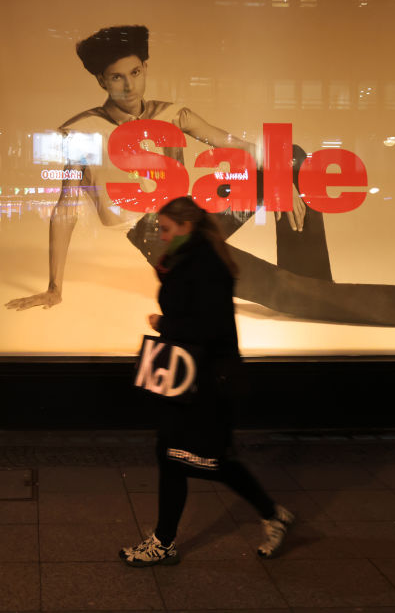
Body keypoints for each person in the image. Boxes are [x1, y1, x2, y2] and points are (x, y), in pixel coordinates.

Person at [5, 24, 395, 327]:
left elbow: (237, 146)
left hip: (198, 215)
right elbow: (65, 210)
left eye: (136, 73)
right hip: (160, 236)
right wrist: (53, 287)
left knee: (290, 155)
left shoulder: (172, 113)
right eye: (116, 78)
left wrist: (286, 177)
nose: (129, 86)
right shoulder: (84, 130)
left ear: (146, 68)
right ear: (102, 82)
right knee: (280, 292)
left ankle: (313, 281)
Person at [119, 195, 294, 566]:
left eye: (166, 229)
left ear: (186, 226)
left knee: (212, 460)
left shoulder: (205, 264)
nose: (162, 236)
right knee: (173, 456)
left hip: (206, 379)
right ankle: (164, 541)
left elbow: (210, 327)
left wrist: (163, 323)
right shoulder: (189, 259)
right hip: (189, 374)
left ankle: (271, 513)